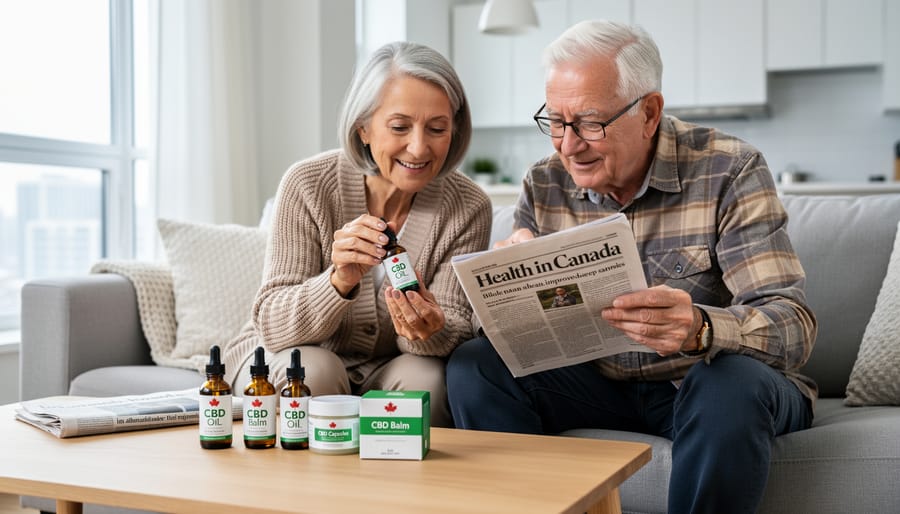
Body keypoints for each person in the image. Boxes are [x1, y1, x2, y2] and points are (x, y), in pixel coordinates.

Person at [446, 20, 816, 513]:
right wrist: (505, 287)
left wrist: (702, 328)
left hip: (702, 386)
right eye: (555, 120)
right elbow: (507, 337)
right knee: (476, 365)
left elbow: (792, 324)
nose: (567, 144)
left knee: (730, 381)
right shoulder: (544, 182)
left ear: (649, 112)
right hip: (601, 385)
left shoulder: (730, 169)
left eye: (590, 123)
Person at [223, 42, 492, 427]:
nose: (419, 147)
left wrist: (429, 329)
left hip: (390, 365)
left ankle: (402, 488)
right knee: (313, 371)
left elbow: (456, 329)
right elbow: (273, 324)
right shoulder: (307, 184)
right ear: (363, 127)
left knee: (427, 381)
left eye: (437, 128)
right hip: (287, 353)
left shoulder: (467, 206)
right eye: (400, 127)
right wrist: (338, 281)